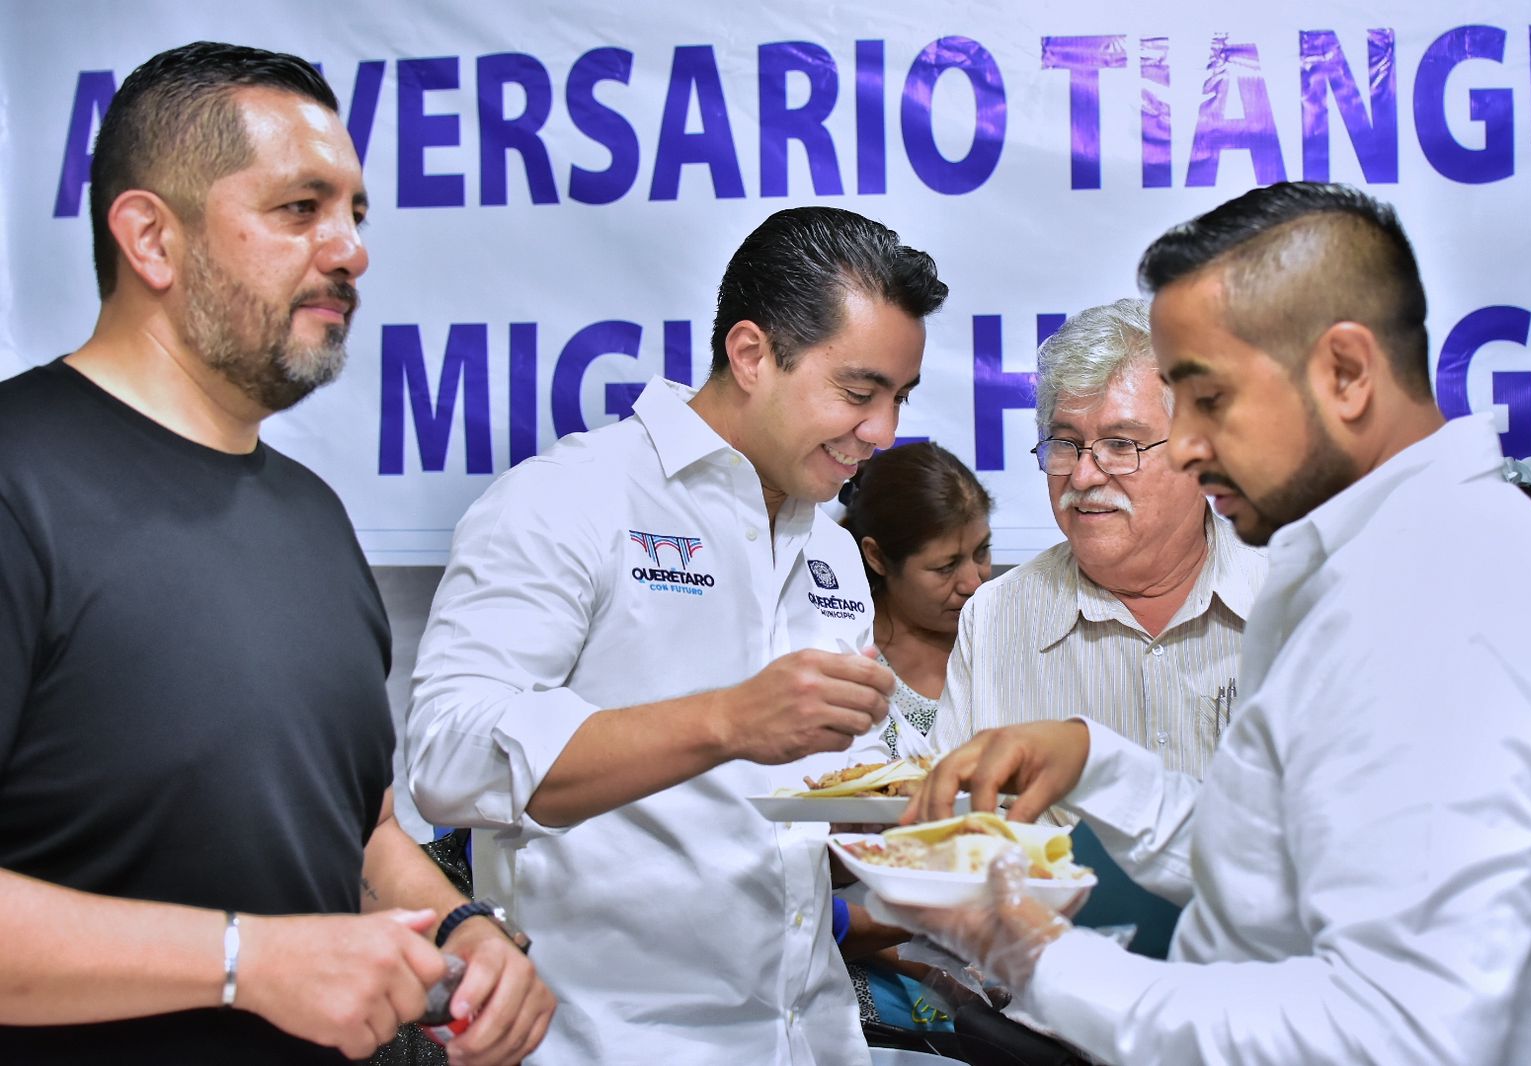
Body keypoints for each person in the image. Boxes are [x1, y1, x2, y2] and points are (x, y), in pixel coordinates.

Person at [896, 182, 1531, 1065]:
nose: (1185, 446)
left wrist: (1031, 958)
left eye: (1208, 399)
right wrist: (1096, 757)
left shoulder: (1445, 592)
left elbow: (1394, 1031)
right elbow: (1273, 869)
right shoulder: (1352, 557)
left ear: (1346, 373)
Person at [0, 42, 553, 1065]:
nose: (350, 249)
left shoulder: (311, 516)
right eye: (301, 209)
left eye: (355, 213)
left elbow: (350, 828)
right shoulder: (18, 479)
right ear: (151, 239)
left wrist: (459, 930)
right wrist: (240, 961)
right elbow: (266, 950)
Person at [406, 206, 948, 1064]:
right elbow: (448, 758)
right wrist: (724, 721)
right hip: (610, 1042)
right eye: (858, 392)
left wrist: (931, 826)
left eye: (899, 399)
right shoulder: (567, 500)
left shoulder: (834, 549)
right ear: (750, 354)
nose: (883, 430)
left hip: (809, 1037)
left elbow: (799, 813)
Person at [930, 298, 1267, 958]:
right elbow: (951, 846)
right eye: (1065, 444)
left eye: (1120, 444)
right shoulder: (996, 619)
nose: (1083, 476)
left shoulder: (1288, 598)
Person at [842, 441, 994, 759]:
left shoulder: (1010, 641)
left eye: (982, 551)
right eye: (945, 567)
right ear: (877, 557)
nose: (973, 583)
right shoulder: (846, 652)